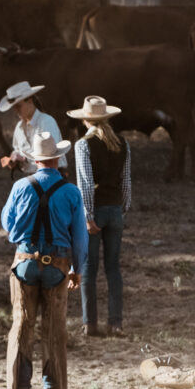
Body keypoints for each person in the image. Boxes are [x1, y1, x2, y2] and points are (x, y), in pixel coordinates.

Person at [1, 132, 88, 389]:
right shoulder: (71, 192)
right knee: (54, 327)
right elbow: (80, 238)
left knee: (21, 324)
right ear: (57, 158)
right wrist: (78, 269)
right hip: (58, 265)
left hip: (25, 262)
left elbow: (8, 224)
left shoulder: (20, 187)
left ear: (35, 160)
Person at [67, 95, 131, 338]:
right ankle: (116, 323)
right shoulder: (122, 143)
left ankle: (89, 323)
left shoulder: (83, 145)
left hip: (95, 212)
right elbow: (126, 181)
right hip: (115, 210)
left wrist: (88, 215)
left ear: (85, 120)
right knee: (113, 268)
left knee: (88, 268)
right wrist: (123, 207)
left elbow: (84, 183)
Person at [0, 81, 67, 175]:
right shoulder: (19, 127)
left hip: (52, 176)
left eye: (18, 106)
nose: (16, 110)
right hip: (33, 178)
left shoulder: (46, 121)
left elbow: (51, 154)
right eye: (14, 107)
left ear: (30, 100)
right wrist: (14, 159)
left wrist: (24, 158)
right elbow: (17, 149)